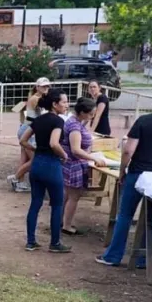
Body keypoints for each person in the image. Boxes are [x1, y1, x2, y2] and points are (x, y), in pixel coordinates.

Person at [98, 84, 152, 268]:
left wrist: (122, 171)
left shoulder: (144, 122)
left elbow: (128, 151)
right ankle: (144, 259)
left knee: (125, 215)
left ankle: (113, 256)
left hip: (139, 174)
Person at [19, 88, 71, 253]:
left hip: (37, 165)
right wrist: (64, 155)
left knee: (35, 203)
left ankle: (30, 241)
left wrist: (35, 149)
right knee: (57, 204)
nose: (66, 104)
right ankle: (55, 243)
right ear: (55, 104)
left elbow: (23, 140)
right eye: (64, 102)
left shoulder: (38, 119)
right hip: (51, 164)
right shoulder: (58, 121)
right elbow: (54, 143)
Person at [61, 97, 107, 235]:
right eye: (90, 114)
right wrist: (93, 158)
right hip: (74, 164)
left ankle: (61, 220)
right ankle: (67, 225)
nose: (92, 117)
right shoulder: (74, 126)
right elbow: (76, 149)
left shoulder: (75, 121)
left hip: (71, 163)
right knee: (73, 197)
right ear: (82, 112)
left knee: (68, 195)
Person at [8, 77, 51, 193]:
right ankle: (15, 178)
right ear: (37, 87)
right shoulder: (36, 99)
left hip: (26, 129)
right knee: (36, 159)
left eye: (47, 86)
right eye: (43, 86)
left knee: (24, 158)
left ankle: (20, 183)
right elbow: (43, 114)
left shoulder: (36, 98)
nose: (46, 88)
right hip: (29, 131)